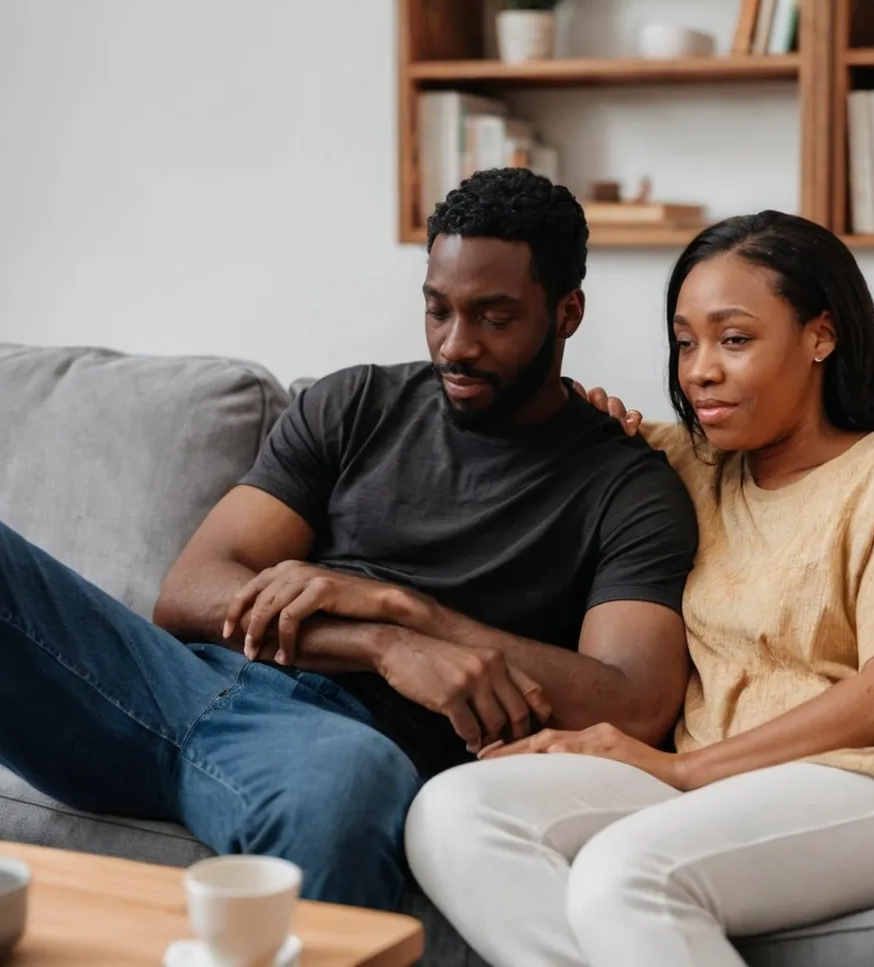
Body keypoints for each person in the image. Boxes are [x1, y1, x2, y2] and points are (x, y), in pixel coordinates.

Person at [0, 168, 697, 911]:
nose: (455, 346)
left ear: (567, 313)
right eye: (438, 310)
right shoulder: (356, 403)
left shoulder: (627, 488)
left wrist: (419, 616)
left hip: (334, 741)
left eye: (495, 318)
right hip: (167, 684)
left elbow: (635, 701)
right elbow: (189, 594)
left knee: (349, 784)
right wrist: (383, 643)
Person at [405, 211, 874, 967]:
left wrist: (679, 769)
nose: (699, 370)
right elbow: (561, 429)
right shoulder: (684, 464)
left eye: (734, 339)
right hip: (716, 791)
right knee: (453, 811)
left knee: (627, 873)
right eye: (685, 342)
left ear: (821, 334)